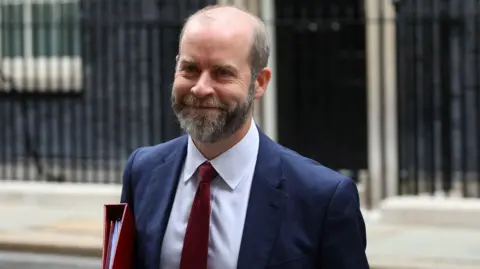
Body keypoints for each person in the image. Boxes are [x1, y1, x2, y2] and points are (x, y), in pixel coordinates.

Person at [120, 4, 369, 269]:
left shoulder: (323, 198)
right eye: (190, 69)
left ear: (259, 82)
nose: (201, 88)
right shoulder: (142, 171)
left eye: (222, 73)